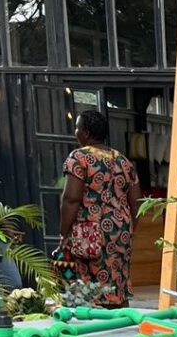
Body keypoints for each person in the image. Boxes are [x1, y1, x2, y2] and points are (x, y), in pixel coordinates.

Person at [59, 110, 141, 308]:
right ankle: (121, 323)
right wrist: (128, 228)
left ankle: (94, 327)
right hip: (120, 231)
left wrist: (63, 231)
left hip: (89, 232)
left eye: (77, 127)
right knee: (117, 281)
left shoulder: (79, 158)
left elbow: (72, 198)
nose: (75, 132)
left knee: (89, 284)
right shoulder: (123, 161)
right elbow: (137, 203)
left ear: (86, 133)